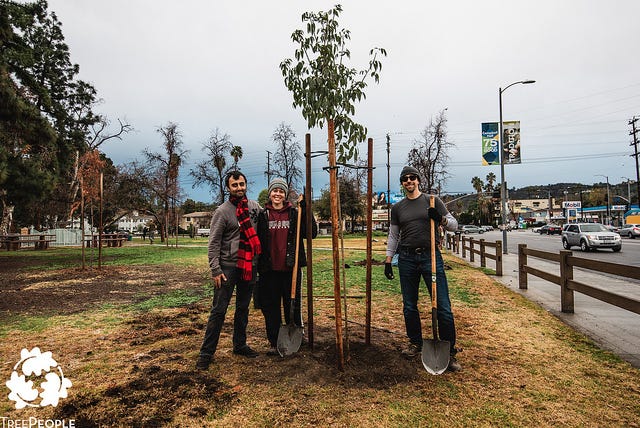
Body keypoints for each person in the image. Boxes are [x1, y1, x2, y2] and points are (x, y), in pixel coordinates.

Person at [384, 166, 462, 372]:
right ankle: (415, 343)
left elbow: (454, 225)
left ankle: (449, 351)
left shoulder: (432, 201)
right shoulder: (398, 208)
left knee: (443, 306)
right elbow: (393, 236)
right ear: (402, 184)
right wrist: (388, 260)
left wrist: (440, 219)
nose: (409, 181)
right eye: (405, 179)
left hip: (430, 257)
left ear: (418, 180)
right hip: (407, 258)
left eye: (412, 178)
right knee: (410, 305)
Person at [196, 171, 262, 370]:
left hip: (249, 265)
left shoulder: (254, 207)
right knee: (219, 311)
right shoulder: (222, 211)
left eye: (242, 184)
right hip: (227, 268)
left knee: (242, 308)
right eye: (235, 185)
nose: (239, 188)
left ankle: (239, 345)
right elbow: (213, 242)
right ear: (228, 188)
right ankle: (206, 353)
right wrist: (215, 269)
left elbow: (270, 218)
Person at [256, 178, 317, 356]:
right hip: (269, 269)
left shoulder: (294, 214)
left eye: (281, 191)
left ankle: (296, 335)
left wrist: (306, 209)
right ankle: (275, 341)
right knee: (271, 306)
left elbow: (311, 233)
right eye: (274, 190)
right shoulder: (263, 215)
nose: (277, 194)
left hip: (291, 268)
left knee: (293, 304)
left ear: (285, 194)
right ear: (270, 193)